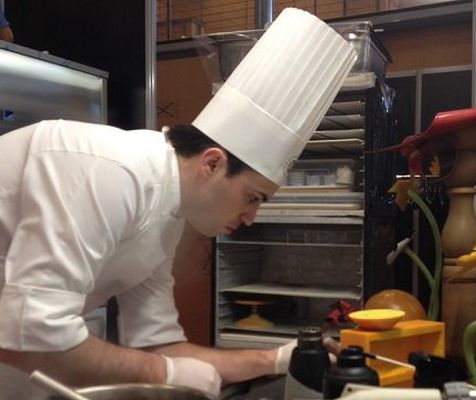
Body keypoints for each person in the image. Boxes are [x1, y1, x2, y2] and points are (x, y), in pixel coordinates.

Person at [0, 7, 356, 400]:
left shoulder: (167, 215)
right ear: (212, 162)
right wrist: (167, 372)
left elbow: (159, 345)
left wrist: (275, 359)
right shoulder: (111, 172)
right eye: (252, 197)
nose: (252, 217)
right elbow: (29, 340)